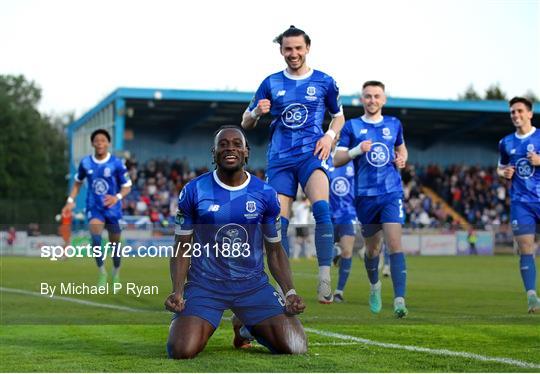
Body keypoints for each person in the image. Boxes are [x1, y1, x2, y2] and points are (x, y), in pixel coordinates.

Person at [164, 125, 307, 359]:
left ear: (246, 151)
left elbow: (274, 249)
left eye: (236, 144)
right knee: (181, 350)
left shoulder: (265, 193)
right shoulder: (194, 190)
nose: (230, 148)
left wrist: (289, 291)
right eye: (223, 144)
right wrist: (178, 291)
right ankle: (223, 318)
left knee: (295, 347)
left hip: (253, 286)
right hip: (205, 286)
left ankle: (244, 326)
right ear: (213, 152)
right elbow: (182, 246)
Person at [241, 26, 345, 303]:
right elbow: (245, 122)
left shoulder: (324, 81)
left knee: (322, 208)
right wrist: (255, 112)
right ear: (281, 51)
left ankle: (324, 276)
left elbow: (339, 116)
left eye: (298, 48)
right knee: (278, 225)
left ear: (307, 48)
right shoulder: (271, 83)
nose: (293, 53)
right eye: (288, 49)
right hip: (280, 160)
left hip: (311, 154)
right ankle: (286, 289)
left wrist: (329, 135)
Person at [334, 81, 409, 318]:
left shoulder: (394, 124)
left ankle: (399, 300)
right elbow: (336, 159)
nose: (372, 100)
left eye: (377, 96)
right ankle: (375, 285)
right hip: (365, 197)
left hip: (391, 192)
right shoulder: (352, 127)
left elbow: (402, 149)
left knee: (395, 244)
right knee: (372, 249)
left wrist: (402, 159)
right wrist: (357, 150)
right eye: (368, 96)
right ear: (362, 99)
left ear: (384, 99)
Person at [62, 129, 132, 287]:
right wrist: (70, 200)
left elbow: (127, 186)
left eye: (103, 140)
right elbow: (78, 182)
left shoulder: (116, 163)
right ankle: (102, 272)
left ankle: (116, 270)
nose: (100, 143)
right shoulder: (86, 163)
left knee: (115, 244)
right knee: (95, 237)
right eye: (97, 140)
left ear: (108, 143)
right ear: (93, 143)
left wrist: (117, 197)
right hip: (94, 207)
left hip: (113, 208)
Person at [497, 96, 540, 313]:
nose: (516, 115)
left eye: (520, 111)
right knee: (526, 248)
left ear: (530, 114)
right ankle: (532, 296)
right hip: (521, 203)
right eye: (513, 112)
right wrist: (504, 172)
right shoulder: (506, 142)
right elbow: (500, 167)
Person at [328, 137, 357, 302]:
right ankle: (334, 253)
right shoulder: (324, 161)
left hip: (348, 214)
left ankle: (339, 292)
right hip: (328, 215)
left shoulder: (353, 163)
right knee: (322, 253)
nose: (337, 142)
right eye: (335, 138)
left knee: (347, 251)